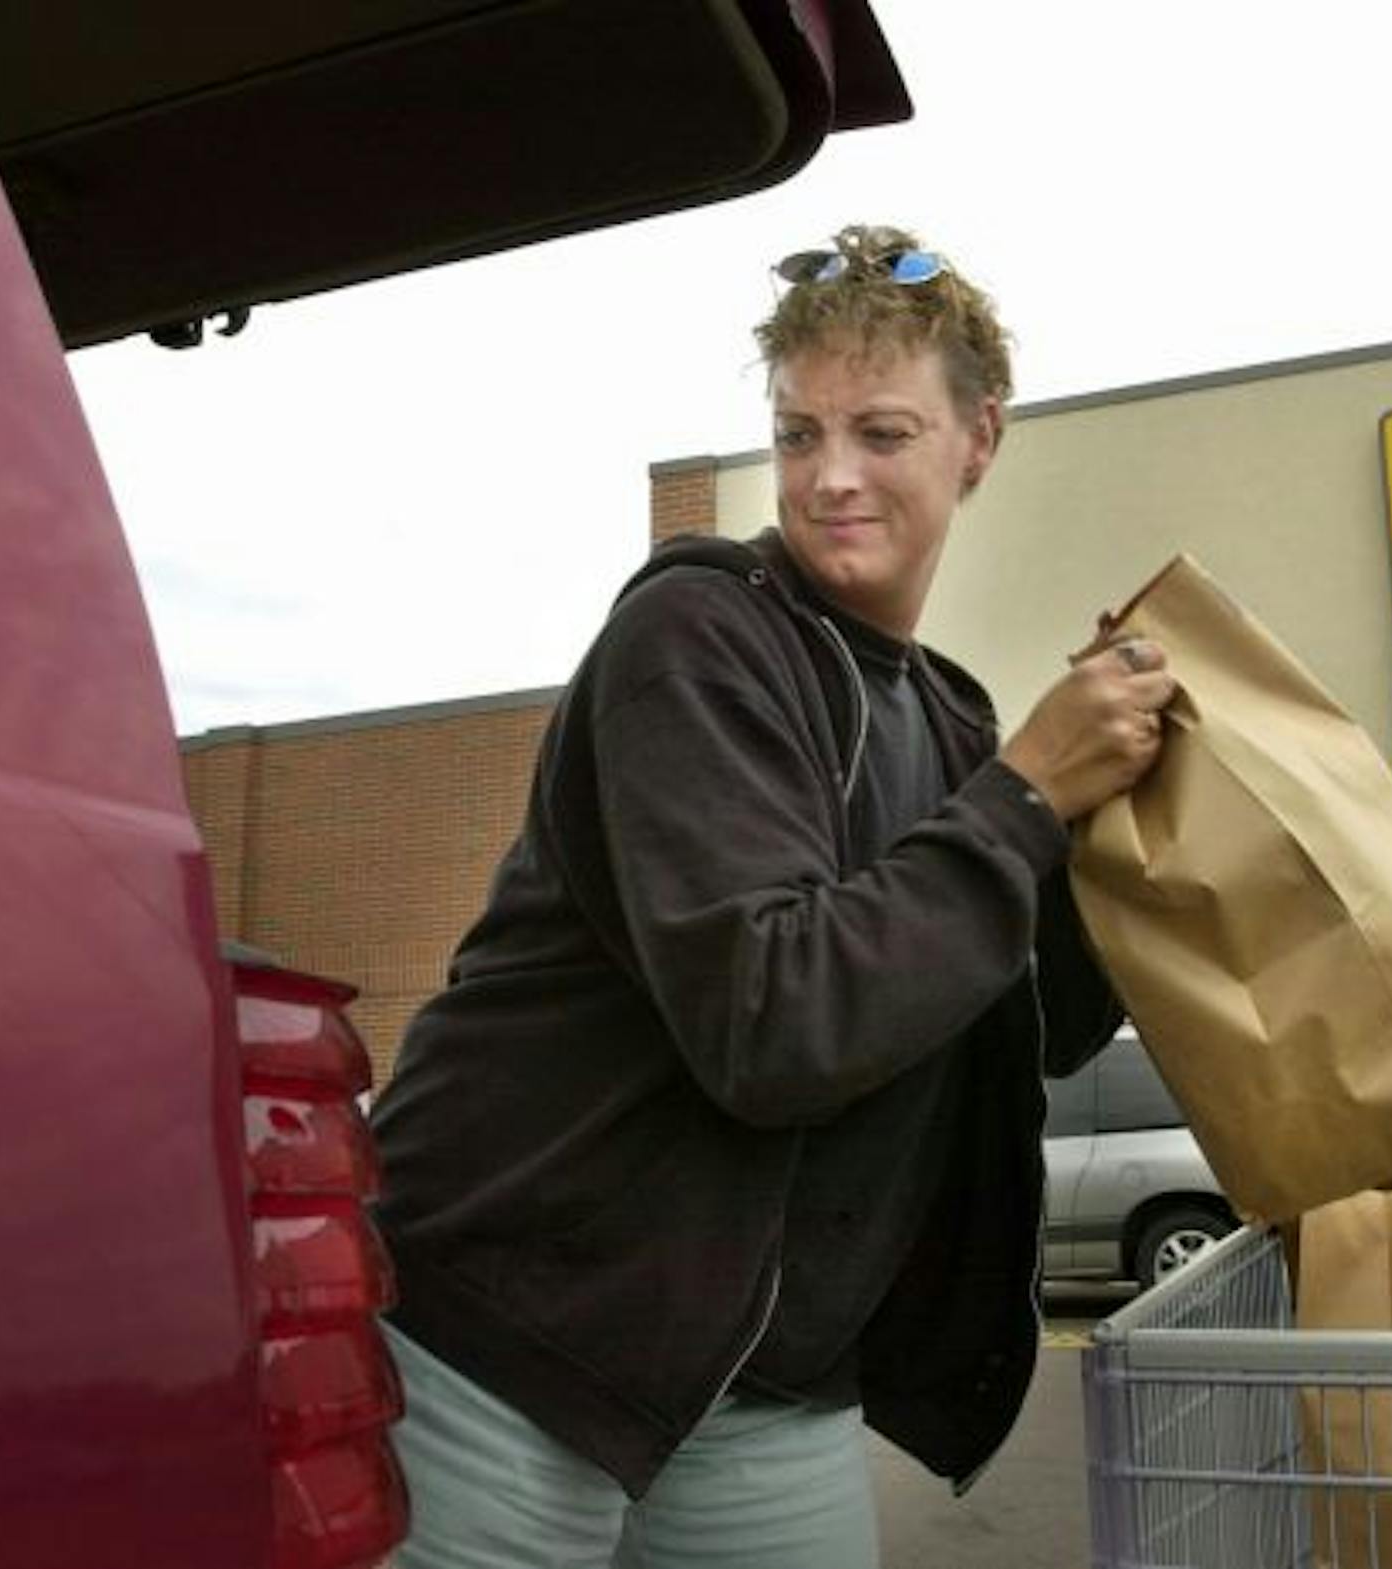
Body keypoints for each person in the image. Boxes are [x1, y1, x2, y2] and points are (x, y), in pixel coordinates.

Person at [369, 223, 1178, 1568]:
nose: (831, 478)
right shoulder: (698, 640)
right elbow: (776, 1021)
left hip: (765, 1386)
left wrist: (1139, 844)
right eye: (799, 435)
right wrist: (1029, 798)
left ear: (980, 438)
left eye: (880, 431)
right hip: (516, 1339)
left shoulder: (955, 723)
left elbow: (1019, 1028)